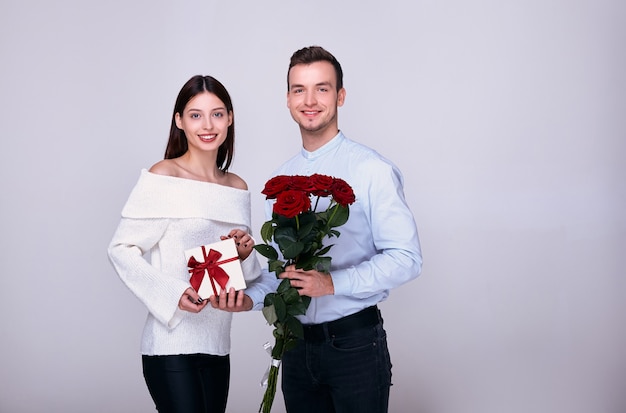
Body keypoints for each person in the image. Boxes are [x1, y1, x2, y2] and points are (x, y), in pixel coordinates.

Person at [211, 46, 423, 413]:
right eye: (299, 89)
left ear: (340, 95)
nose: (309, 100)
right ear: (288, 99)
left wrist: (333, 284)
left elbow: (407, 259)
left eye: (322, 88)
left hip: (354, 345)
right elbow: (282, 274)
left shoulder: (373, 170)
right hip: (295, 346)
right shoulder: (278, 181)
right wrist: (247, 299)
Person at [107, 74, 261, 413]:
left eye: (217, 114)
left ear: (230, 118)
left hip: (218, 343)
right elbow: (120, 249)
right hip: (171, 343)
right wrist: (173, 294)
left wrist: (245, 253)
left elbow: (246, 276)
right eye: (195, 115)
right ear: (179, 121)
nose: (208, 125)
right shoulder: (164, 176)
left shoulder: (237, 187)